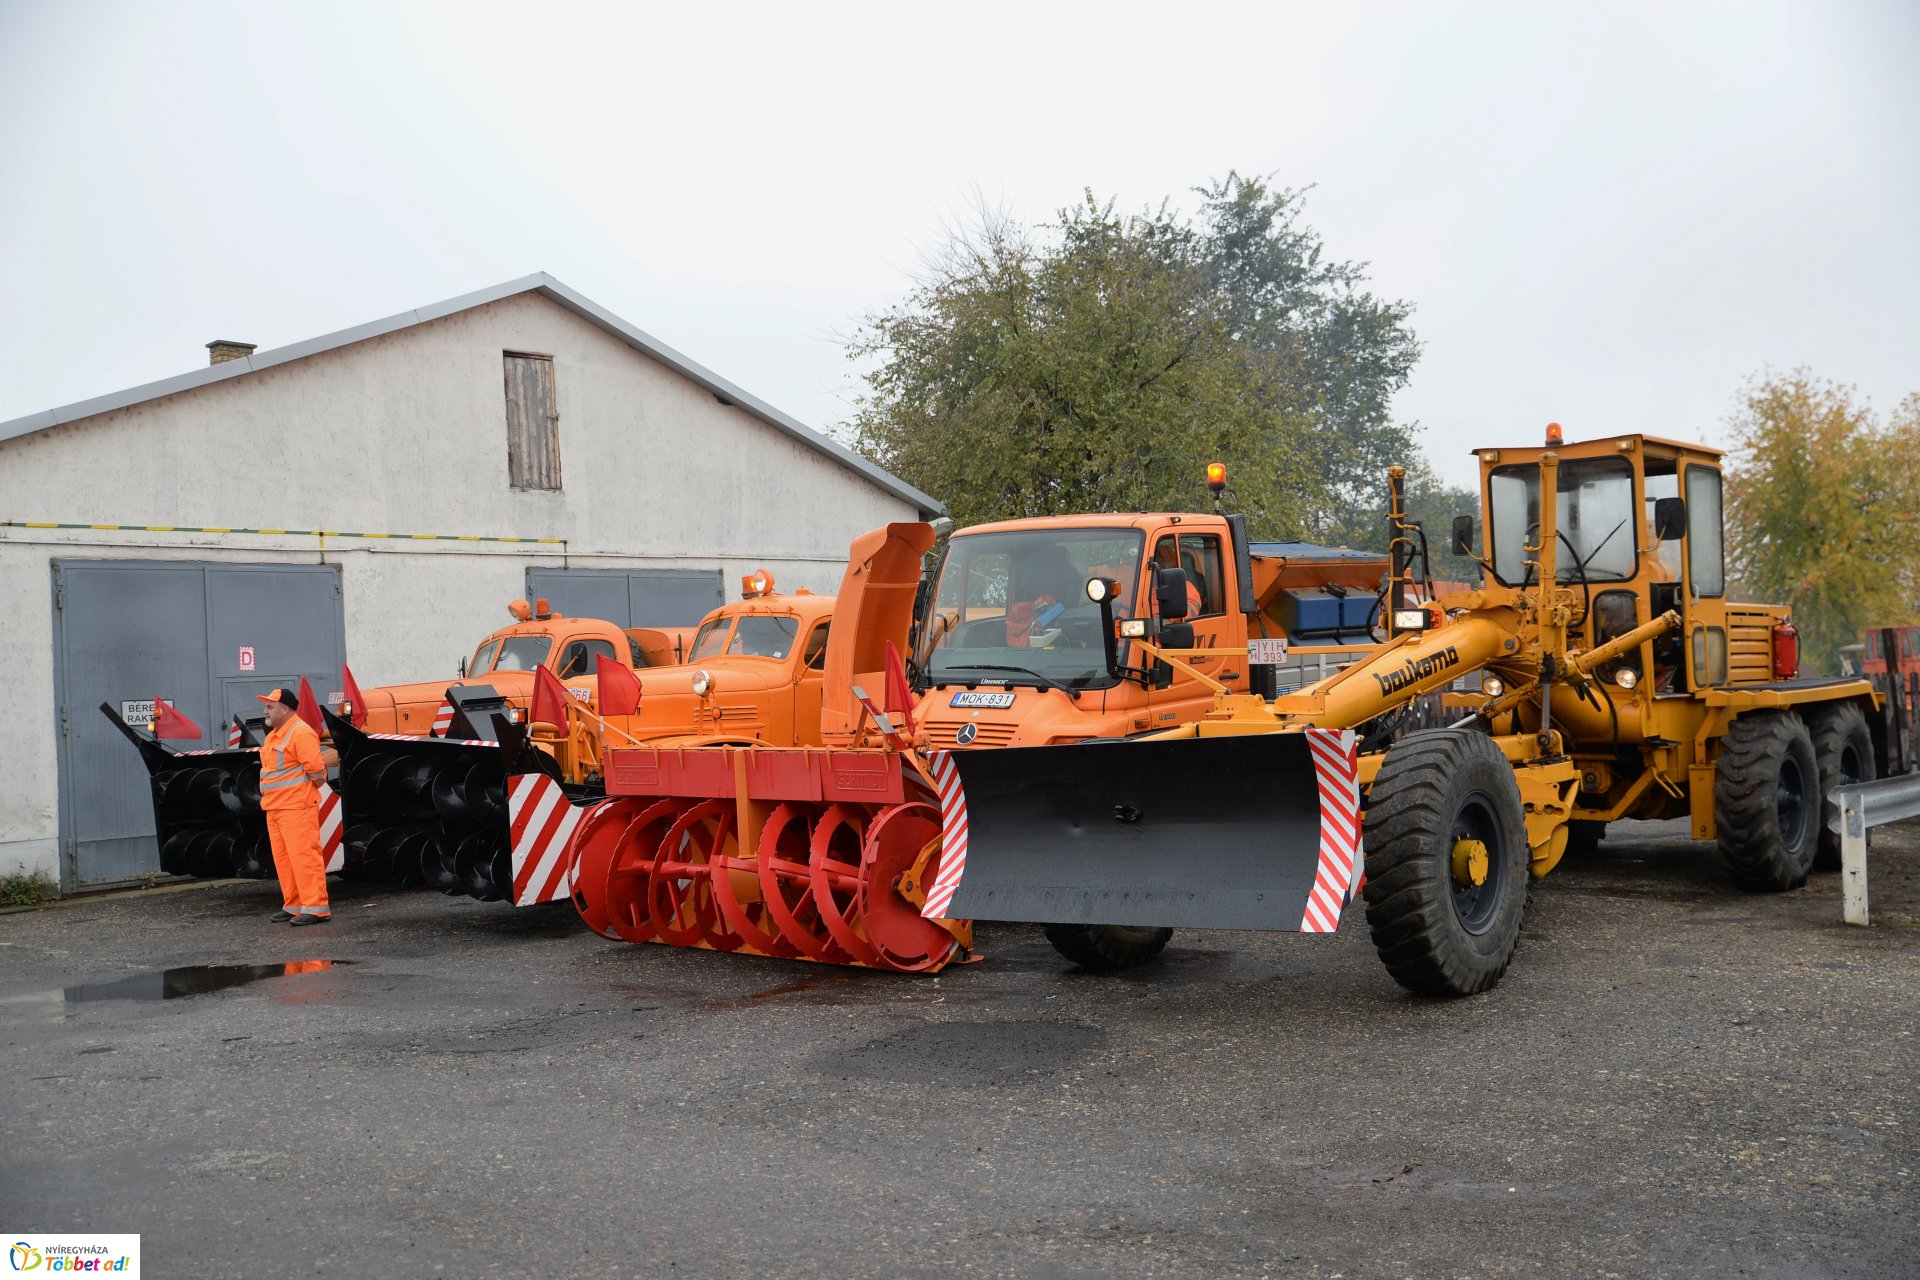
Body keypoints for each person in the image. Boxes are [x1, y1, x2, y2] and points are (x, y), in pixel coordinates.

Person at [256, 687, 331, 925]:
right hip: (276, 807)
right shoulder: (273, 736)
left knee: (304, 858)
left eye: (270, 706)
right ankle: (295, 905)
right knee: (285, 860)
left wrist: (303, 792)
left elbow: (317, 771)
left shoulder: (300, 732)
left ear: (285, 709)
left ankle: (316, 908)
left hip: (296, 807)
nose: (265, 710)